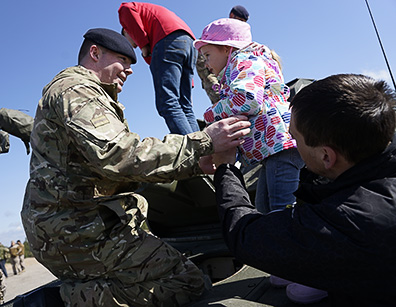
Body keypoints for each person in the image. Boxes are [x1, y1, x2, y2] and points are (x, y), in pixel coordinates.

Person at [21, 27, 250, 306]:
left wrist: (195, 163)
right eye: (123, 61)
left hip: (77, 225)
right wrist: (203, 141)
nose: (129, 71)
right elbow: (119, 155)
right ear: (95, 53)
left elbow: (123, 161)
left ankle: (86, 285)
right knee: (186, 281)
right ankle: (73, 298)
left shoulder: (84, 93)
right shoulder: (76, 91)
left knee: (172, 270)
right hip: (76, 230)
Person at [209, 74, 396, 306]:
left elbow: (243, 233)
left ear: (326, 155)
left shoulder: (347, 220)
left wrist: (226, 167)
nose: (293, 144)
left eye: (295, 138)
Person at [194, 18, 304, 213]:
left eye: (208, 54)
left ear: (227, 48)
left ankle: (289, 242)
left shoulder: (244, 60)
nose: (206, 63)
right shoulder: (244, 63)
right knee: (264, 210)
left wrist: (211, 114)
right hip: (273, 149)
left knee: (282, 211)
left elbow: (247, 99)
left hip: (279, 146)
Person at [118, 2, 200, 135]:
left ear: (127, 29)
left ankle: (194, 152)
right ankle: (203, 150)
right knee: (185, 105)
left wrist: (144, 45)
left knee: (167, 102)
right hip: (189, 42)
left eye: (130, 42)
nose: (134, 47)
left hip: (167, 39)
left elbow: (125, 8)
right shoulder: (152, 17)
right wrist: (188, 82)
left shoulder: (129, 11)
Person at [196, 5, 250, 104]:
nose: (240, 24)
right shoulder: (213, 38)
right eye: (239, 20)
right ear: (232, 15)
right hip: (218, 86)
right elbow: (206, 71)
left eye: (243, 22)